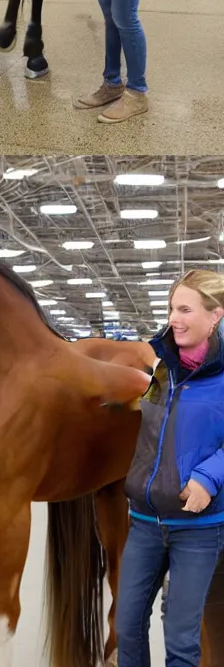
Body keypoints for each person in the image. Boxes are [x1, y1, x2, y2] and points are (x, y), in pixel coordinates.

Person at [116, 268, 224, 667]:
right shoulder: (161, 371)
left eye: (185, 309)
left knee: (181, 642)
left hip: (197, 529)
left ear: (215, 315)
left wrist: (209, 477)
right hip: (144, 522)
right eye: (170, 309)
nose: (173, 319)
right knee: (127, 628)